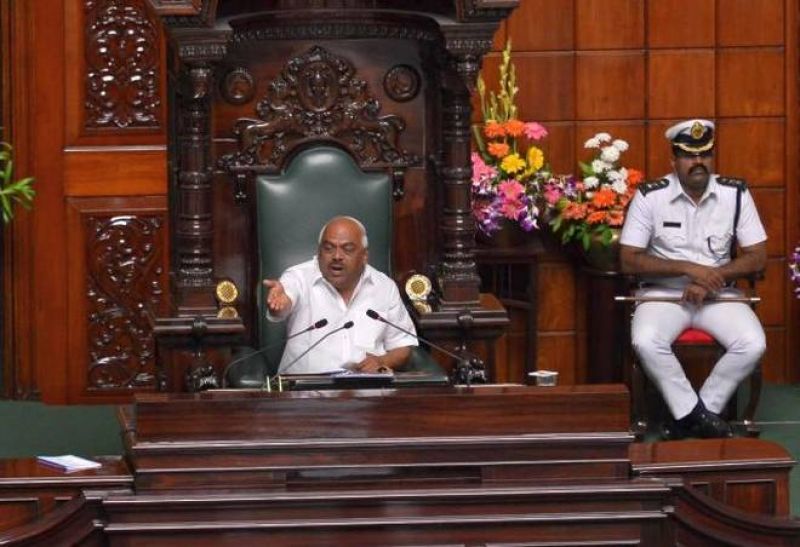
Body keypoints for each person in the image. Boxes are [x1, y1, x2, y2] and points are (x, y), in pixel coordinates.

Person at [619, 119, 767, 440]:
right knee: (645, 340)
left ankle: (694, 415)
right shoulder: (650, 196)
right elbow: (628, 259)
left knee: (753, 343)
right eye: (689, 155)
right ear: (673, 161)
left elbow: (758, 255)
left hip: (717, 295)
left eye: (705, 155)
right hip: (663, 296)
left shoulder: (736, 193)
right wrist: (689, 268)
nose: (698, 162)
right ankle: (694, 414)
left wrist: (710, 278)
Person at [263, 216, 417, 374]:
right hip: (305, 390)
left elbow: (403, 345)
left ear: (364, 256)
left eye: (348, 249)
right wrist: (279, 306)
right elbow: (285, 301)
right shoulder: (298, 277)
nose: (337, 256)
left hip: (367, 390)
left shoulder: (384, 286)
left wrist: (380, 361)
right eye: (328, 248)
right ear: (319, 251)